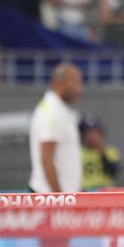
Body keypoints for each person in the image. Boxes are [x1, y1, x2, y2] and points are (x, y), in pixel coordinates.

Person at [28, 63, 84, 193]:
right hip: (49, 197)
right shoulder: (52, 112)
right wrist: (59, 198)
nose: (80, 89)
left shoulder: (59, 110)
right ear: (61, 82)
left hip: (61, 197)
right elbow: (47, 159)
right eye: (76, 82)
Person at [80, 116, 121, 191]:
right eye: (88, 132)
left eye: (96, 132)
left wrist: (102, 152)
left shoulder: (110, 151)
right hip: (83, 191)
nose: (92, 136)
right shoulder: (78, 153)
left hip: (104, 190)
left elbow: (113, 172)